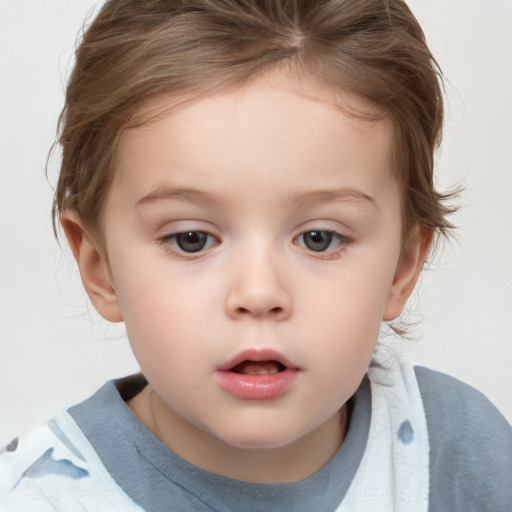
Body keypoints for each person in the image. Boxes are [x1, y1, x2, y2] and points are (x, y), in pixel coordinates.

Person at [0, 0, 510, 510]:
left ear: (402, 266)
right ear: (100, 267)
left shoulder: (458, 456)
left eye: (319, 238)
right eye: (191, 239)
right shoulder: (37, 498)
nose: (260, 293)